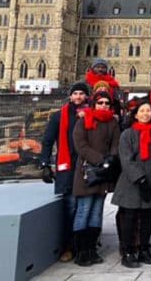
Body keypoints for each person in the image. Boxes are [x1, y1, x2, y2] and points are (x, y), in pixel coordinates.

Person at [39, 80, 90, 262]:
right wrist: (44, 164)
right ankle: (68, 246)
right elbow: (47, 141)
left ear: (86, 96)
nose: (78, 96)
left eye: (81, 93)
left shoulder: (91, 115)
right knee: (70, 208)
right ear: (70, 96)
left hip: (85, 167)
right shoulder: (59, 116)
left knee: (84, 209)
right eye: (75, 93)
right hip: (67, 168)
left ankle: (83, 245)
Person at [72, 88, 121, 267]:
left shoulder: (113, 123)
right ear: (94, 104)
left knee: (96, 212)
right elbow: (80, 145)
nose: (104, 106)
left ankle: (92, 249)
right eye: (100, 103)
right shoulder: (84, 120)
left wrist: (111, 159)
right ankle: (81, 251)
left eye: (107, 103)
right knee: (84, 210)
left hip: (103, 172)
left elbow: (116, 143)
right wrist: (101, 159)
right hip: (87, 171)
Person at [112, 99, 151, 268]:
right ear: (136, 114)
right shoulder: (128, 134)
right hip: (132, 182)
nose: (146, 114)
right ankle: (128, 251)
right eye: (142, 111)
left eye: (149, 111)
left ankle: (144, 249)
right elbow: (126, 159)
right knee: (129, 218)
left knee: (147, 217)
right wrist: (141, 179)